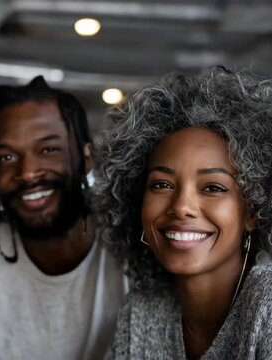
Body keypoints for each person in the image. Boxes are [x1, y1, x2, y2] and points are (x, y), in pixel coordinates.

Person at [0, 76, 128, 360]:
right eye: (6, 158)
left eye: (48, 150)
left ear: (86, 159)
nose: (28, 172)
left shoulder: (132, 239)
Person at [94, 67, 272, 359]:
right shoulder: (143, 311)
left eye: (213, 187)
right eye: (162, 184)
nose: (181, 207)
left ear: (253, 211)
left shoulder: (267, 309)